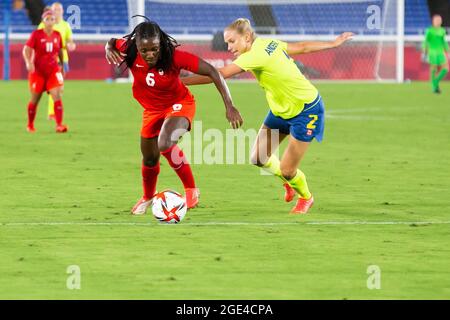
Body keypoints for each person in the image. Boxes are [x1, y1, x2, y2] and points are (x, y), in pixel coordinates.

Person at [182, 18, 352, 214]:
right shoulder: (268, 43)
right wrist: (333, 43)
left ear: (246, 37)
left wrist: (182, 82)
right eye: (227, 42)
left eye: (232, 41)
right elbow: (303, 47)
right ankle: (288, 182)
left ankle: (306, 197)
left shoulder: (254, 55)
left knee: (288, 170)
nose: (228, 47)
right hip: (280, 110)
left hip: (306, 111)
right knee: (258, 157)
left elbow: (220, 74)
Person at [105, 18, 243, 214]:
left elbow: (213, 71)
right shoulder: (129, 48)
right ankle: (148, 196)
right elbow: (112, 41)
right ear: (136, 46)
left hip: (179, 104)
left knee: (165, 143)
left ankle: (191, 189)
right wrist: (108, 47)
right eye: (145, 50)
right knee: (149, 158)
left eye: (154, 48)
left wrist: (230, 105)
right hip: (151, 110)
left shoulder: (175, 57)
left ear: (160, 43)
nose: (150, 54)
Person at [23, 9, 68, 133]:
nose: (49, 21)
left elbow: (60, 51)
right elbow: (26, 49)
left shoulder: (57, 35)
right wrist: (28, 62)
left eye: (52, 19)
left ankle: (59, 125)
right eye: (47, 19)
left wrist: (62, 67)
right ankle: (30, 124)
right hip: (38, 72)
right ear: (43, 21)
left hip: (53, 71)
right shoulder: (36, 34)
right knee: (35, 99)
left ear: (55, 21)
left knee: (57, 95)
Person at [38, 2, 76, 119]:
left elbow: (70, 41)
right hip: (49, 60)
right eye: (55, 9)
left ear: (62, 11)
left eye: (59, 9)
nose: (57, 11)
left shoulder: (65, 25)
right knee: (56, 86)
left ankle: (52, 111)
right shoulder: (44, 24)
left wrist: (71, 45)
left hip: (63, 59)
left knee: (58, 88)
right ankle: (52, 113)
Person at [422, 14, 449, 94]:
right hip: (432, 52)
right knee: (434, 70)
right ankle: (434, 88)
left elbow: (443, 41)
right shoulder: (429, 31)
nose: (438, 22)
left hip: (440, 52)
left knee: (446, 68)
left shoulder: (442, 30)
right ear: (433, 22)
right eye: (437, 20)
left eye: (439, 20)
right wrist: (424, 50)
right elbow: (426, 41)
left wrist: (447, 50)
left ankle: (435, 82)